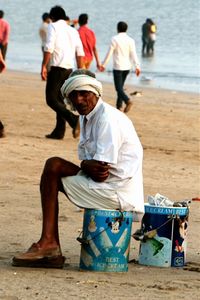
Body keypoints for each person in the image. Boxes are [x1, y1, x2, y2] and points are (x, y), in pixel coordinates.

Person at [12, 69, 144, 269]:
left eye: (84, 93)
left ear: (96, 93)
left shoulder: (107, 119)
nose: (79, 99)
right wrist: (86, 165)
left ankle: (49, 244)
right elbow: (90, 164)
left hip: (117, 193)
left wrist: (85, 165)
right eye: (73, 95)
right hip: (107, 184)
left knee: (52, 168)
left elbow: (100, 173)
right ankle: (50, 243)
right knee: (53, 165)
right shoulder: (87, 115)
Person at [41, 6, 85, 140]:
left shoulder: (52, 26)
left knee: (51, 100)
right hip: (69, 69)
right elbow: (80, 51)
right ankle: (59, 132)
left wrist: (43, 65)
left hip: (57, 67)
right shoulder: (72, 30)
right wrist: (81, 70)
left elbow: (49, 47)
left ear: (52, 17)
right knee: (59, 100)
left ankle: (74, 119)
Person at [101, 21, 140, 112]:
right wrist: (137, 66)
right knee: (120, 88)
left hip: (118, 67)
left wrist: (103, 64)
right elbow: (133, 54)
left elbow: (109, 53)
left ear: (117, 29)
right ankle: (119, 106)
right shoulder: (131, 40)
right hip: (127, 67)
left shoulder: (114, 39)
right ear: (126, 29)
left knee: (118, 88)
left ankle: (127, 100)